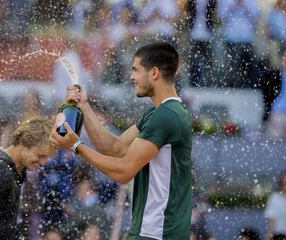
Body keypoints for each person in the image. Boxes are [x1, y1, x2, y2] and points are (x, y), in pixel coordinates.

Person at [50, 42, 193, 239]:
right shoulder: (161, 113)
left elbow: (124, 171)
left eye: (135, 70)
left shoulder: (165, 116)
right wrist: (84, 105)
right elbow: (115, 148)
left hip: (157, 233)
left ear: (154, 73)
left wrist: (76, 146)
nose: (131, 77)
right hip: (154, 230)